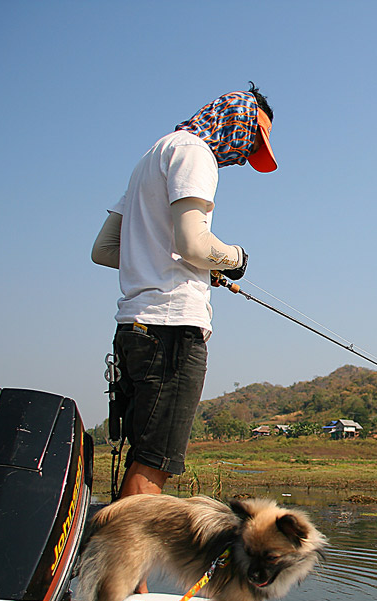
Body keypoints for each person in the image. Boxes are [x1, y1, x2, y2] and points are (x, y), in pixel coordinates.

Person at [92, 83, 277, 501]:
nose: (246, 157)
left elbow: (105, 251)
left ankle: (120, 565)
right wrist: (234, 258)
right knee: (155, 464)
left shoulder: (151, 157)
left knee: (142, 455)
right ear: (236, 119)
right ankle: (124, 568)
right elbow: (194, 244)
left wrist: (187, 265)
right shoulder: (196, 154)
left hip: (135, 328)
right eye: (252, 140)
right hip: (171, 330)